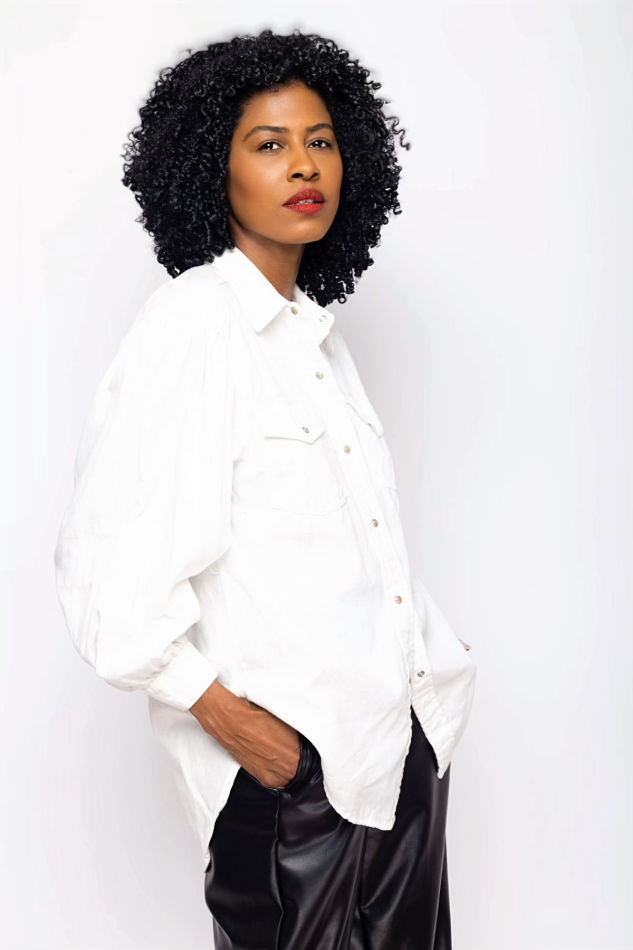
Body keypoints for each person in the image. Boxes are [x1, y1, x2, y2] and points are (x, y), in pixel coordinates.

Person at [54, 28, 477, 949]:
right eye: (269, 143)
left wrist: (429, 671)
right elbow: (110, 582)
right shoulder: (192, 329)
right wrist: (247, 735)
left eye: (320, 140)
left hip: (398, 751)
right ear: (215, 169)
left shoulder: (313, 338)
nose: (303, 165)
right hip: (295, 786)